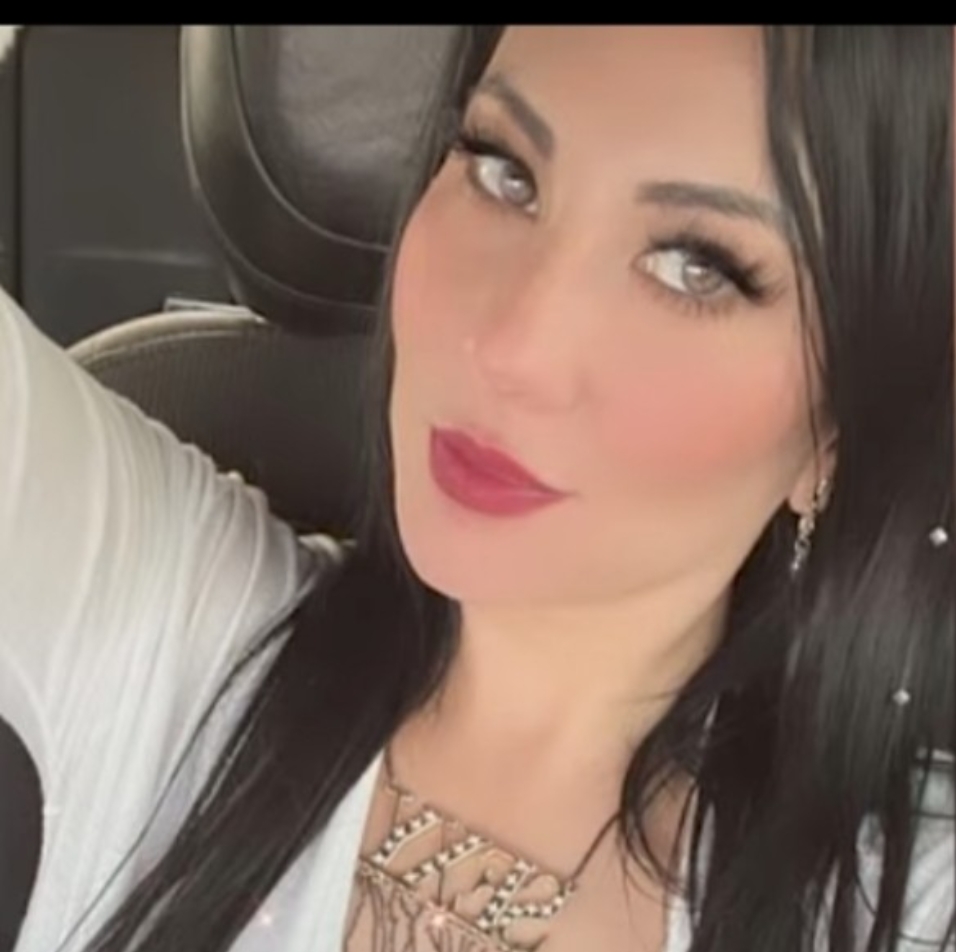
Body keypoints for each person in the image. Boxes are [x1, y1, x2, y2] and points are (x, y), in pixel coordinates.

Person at [0, 25, 952, 952]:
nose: (509, 349)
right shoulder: (162, 624)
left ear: (838, 427)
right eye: (505, 171)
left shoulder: (913, 904)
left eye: (695, 268)